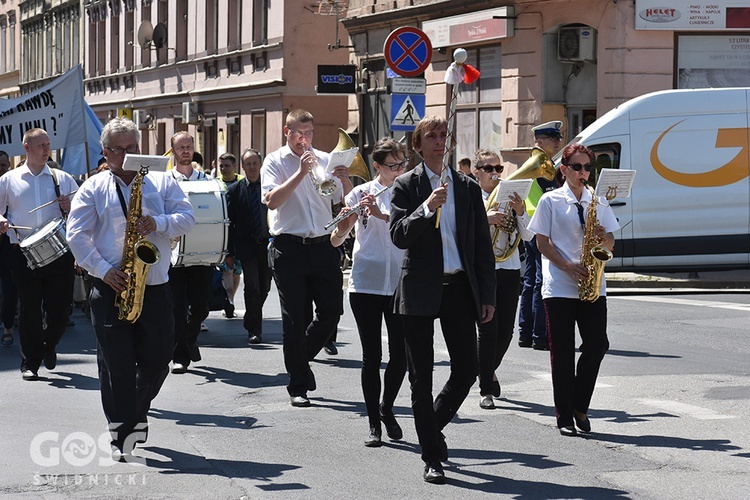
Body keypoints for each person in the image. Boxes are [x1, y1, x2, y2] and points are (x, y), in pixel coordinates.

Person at [66, 117, 195, 460]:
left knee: (158, 361)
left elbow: (188, 216)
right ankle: (121, 431)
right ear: (105, 152)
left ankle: (137, 413)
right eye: (119, 150)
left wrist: (159, 222)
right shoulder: (93, 188)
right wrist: (104, 271)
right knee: (116, 364)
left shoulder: (162, 180)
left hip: (154, 285)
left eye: (132, 149)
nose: (127, 156)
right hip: (111, 285)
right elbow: (76, 235)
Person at [389, 116, 496, 484]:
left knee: (467, 370)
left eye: (443, 135)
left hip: (459, 289)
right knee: (421, 378)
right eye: (431, 136)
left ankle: (430, 428)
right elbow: (399, 236)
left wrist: (486, 294)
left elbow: (482, 245)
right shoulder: (406, 184)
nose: (438, 141)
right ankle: (432, 456)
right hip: (419, 289)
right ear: (418, 146)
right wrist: (426, 208)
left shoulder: (466, 187)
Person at [261, 108, 352, 408]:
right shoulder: (274, 161)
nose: (305, 139)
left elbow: (341, 201)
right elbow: (272, 200)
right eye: (299, 133)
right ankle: (298, 384)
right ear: (287, 132)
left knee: (332, 313)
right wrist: (300, 172)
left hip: (323, 244)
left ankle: (301, 359)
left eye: (309, 133)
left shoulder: (325, 159)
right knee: (293, 319)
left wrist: (345, 181)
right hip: (289, 247)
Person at [527, 143, 618, 437]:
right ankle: (564, 415)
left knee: (597, 345)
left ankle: (580, 404)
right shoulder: (550, 201)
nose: (583, 173)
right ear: (564, 170)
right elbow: (541, 242)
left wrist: (604, 239)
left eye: (587, 167)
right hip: (560, 285)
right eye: (577, 167)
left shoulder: (598, 200)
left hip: (592, 283)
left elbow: (611, 242)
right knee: (562, 352)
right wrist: (566, 265)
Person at [330, 138, 407, 447]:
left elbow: (412, 227)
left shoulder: (409, 192)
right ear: (377, 166)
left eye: (402, 163)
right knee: (371, 356)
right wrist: (347, 221)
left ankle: (387, 407)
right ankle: (373, 424)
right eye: (393, 165)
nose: (399, 169)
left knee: (400, 356)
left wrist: (381, 215)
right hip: (367, 282)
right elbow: (336, 241)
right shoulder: (359, 193)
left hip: (400, 282)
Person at [0, 129, 77, 380]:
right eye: (41, 145)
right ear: (26, 148)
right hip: (22, 252)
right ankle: (30, 362)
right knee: (30, 309)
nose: (46, 149)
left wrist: (71, 206)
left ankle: (49, 344)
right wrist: (1, 221)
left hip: (59, 252)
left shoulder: (62, 178)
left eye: (48, 144)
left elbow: (84, 214)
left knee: (60, 310)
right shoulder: (8, 180)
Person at [472, 149, 533, 410]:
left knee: (506, 332)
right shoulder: (470, 195)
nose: (495, 174)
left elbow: (529, 237)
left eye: (498, 169)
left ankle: (485, 370)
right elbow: (460, 232)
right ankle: (486, 387)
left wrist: (519, 212)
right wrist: (486, 219)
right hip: (482, 271)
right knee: (488, 330)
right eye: (489, 169)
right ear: (476, 172)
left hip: (508, 268)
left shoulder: (511, 195)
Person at [168, 132, 214, 374]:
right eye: (181, 147)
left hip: (201, 252)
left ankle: (189, 338)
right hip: (174, 255)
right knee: (176, 308)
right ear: (173, 151)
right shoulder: (165, 181)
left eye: (189, 146)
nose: (186, 150)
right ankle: (180, 356)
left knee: (200, 307)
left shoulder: (206, 180)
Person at [518, 120, 563, 351]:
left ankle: (526, 333)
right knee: (540, 282)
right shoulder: (537, 168)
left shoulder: (549, 167)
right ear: (539, 141)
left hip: (536, 228)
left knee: (531, 282)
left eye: (558, 138)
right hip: (540, 230)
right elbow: (535, 203)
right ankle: (539, 335)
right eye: (552, 138)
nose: (558, 141)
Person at [225, 148, 271, 344]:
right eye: (248, 164)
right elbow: (230, 223)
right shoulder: (234, 190)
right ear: (242, 167)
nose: (252, 167)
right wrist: (229, 251)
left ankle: (250, 317)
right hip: (247, 247)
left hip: (268, 246)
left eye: (255, 163)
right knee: (252, 286)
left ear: (260, 165)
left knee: (265, 287)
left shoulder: (270, 187)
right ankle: (255, 330)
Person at [216, 152, 245, 318]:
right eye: (221, 166)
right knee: (226, 269)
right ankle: (228, 302)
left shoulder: (242, 182)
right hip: (223, 233)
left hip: (239, 232)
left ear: (234, 166)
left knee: (236, 271)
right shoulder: (216, 183)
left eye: (227, 166)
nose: (223, 169)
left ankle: (231, 298)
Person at [0, 150, 17, 347]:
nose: (1, 169)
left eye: (3, 166)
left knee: (9, 287)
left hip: (6, 244)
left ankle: (8, 327)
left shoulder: (11, 186)